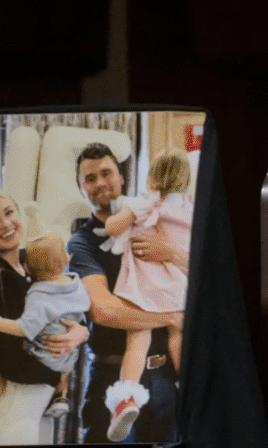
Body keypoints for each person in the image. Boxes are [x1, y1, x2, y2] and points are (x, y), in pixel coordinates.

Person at [67, 143, 185, 444]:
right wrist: (171, 316)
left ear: (121, 177)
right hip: (113, 375)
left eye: (106, 173)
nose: (100, 183)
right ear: (82, 188)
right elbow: (104, 311)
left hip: (167, 378)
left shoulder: (162, 220)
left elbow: (206, 278)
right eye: (89, 179)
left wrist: (170, 253)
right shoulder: (82, 244)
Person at [0, 190, 89, 445]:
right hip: (16, 398)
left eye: (8, 213)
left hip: (37, 401)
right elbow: (12, 351)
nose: (5, 224)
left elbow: (68, 303)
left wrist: (80, 332)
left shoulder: (34, 260)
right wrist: (58, 364)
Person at [101, 150, 193, 441]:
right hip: (177, 283)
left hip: (142, 286)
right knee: (177, 333)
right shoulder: (190, 209)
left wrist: (125, 217)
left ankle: (126, 400)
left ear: (152, 178)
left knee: (137, 342)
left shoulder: (143, 202)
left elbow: (112, 227)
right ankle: (188, 387)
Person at [0, 233, 91, 408]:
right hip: (71, 357)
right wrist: (83, 331)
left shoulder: (39, 296)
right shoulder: (76, 285)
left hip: (46, 357)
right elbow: (83, 313)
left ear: (28, 268)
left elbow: (25, 328)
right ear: (64, 260)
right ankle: (61, 396)